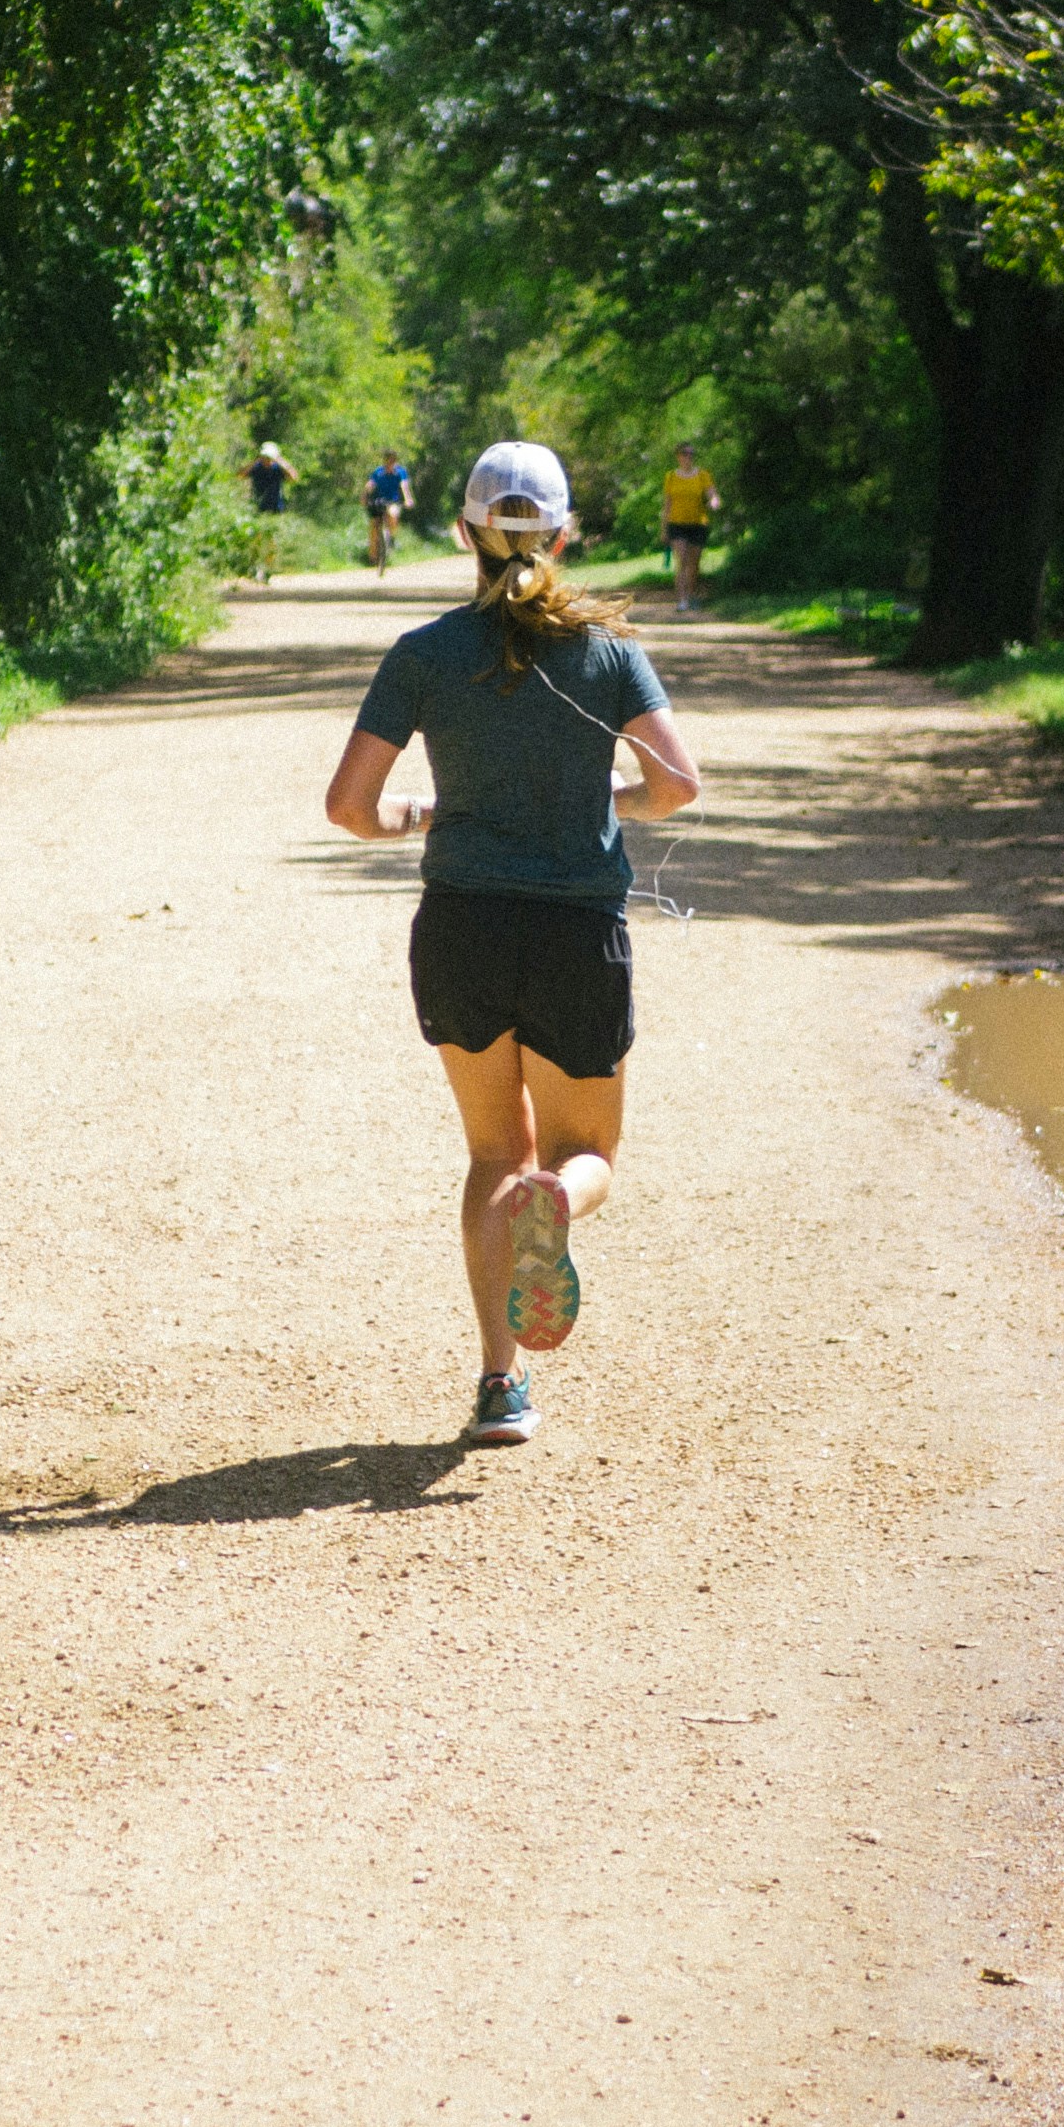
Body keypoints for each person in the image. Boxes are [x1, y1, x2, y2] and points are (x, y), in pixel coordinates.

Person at [322, 439, 703, 1447]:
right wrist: (604, 798)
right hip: (578, 931)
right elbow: (678, 786)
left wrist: (424, 814)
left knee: (493, 1150)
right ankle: (558, 1204)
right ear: (565, 534)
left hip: (461, 928)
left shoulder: (423, 652)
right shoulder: (611, 652)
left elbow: (349, 807)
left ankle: (501, 1385)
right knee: (587, 1154)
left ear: (465, 532)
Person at [660, 443, 723, 615]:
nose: (688, 457)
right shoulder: (671, 477)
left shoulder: (703, 475)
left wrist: (714, 502)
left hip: (697, 523)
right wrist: (664, 528)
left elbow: (712, 494)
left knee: (694, 564)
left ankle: (691, 594)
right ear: (678, 456)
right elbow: (667, 504)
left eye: (690, 454)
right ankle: (682, 600)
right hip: (676, 524)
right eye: (684, 454)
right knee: (682, 560)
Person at [244, 439, 293, 583]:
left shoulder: (278, 469)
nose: (266, 460)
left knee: (272, 542)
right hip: (257, 509)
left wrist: (281, 462)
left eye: (269, 457)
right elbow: (241, 474)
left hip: (274, 509)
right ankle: (253, 569)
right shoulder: (256, 467)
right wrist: (255, 462)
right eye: (264, 457)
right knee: (255, 540)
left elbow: (293, 477)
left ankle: (268, 570)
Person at [361, 447, 413, 572]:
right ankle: (373, 557)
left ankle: (391, 537)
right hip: (378, 502)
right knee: (374, 526)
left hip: (393, 502)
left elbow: (404, 486)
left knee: (393, 514)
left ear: (395, 461)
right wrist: (364, 496)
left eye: (392, 460)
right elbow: (370, 485)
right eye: (388, 460)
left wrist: (408, 499)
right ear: (385, 461)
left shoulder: (400, 472)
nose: (390, 463)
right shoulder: (378, 472)